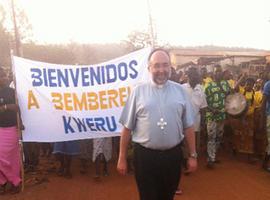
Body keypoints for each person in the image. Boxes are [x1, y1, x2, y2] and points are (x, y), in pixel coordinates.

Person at [117, 48, 197, 200]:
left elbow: (188, 126)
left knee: (167, 196)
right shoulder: (138, 92)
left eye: (165, 65)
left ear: (170, 67)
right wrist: (122, 157)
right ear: (149, 68)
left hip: (173, 156)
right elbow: (127, 128)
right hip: (145, 157)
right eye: (157, 65)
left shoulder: (180, 91)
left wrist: (193, 155)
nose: (161, 70)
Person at [0, 68, 22, 194]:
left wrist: (5, 107)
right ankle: (2, 182)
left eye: (4, 76)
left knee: (12, 157)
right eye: (1, 76)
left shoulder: (11, 91)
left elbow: (18, 107)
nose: (3, 78)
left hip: (11, 128)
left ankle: (15, 182)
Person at [204, 64, 230, 168]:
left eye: (220, 71)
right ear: (213, 73)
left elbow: (229, 97)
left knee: (219, 136)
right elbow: (203, 101)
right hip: (211, 115)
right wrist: (211, 109)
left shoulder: (225, 84)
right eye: (216, 71)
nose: (218, 73)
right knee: (211, 137)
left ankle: (214, 155)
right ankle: (210, 159)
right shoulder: (208, 86)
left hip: (222, 115)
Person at [261, 71, 270, 172]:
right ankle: (265, 163)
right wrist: (262, 120)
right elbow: (263, 103)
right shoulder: (268, 84)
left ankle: (264, 162)